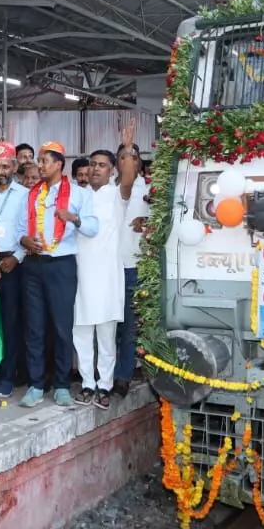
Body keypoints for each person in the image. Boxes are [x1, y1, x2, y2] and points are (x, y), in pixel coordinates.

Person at [17, 142, 99, 409]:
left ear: (59, 164)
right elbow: (20, 228)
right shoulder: (30, 195)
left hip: (61, 265)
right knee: (34, 327)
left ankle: (62, 385)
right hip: (33, 265)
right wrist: (24, 240)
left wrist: (74, 219)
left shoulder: (79, 194)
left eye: (45, 161)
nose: (40, 166)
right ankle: (36, 384)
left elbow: (92, 228)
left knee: (62, 328)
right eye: (39, 161)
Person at [72, 125, 138, 410]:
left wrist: (126, 149)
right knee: (82, 332)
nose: (96, 169)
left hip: (108, 276)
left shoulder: (116, 194)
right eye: (93, 164)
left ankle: (105, 385)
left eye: (102, 165)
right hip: (80, 274)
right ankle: (87, 383)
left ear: (111, 170)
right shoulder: (78, 194)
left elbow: (129, 178)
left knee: (106, 336)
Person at [0, 142, 28, 400]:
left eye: (5, 166)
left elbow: (28, 230)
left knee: (9, 323)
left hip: (12, 263)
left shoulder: (24, 194)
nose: (0, 170)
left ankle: (7, 377)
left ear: (14, 166)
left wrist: (17, 258)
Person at [116, 142, 148, 396]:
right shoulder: (108, 189)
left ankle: (123, 375)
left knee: (128, 327)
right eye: (124, 157)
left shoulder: (147, 189)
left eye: (133, 157)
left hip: (133, 266)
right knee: (108, 326)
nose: (128, 161)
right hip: (107, 267)